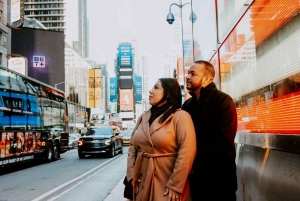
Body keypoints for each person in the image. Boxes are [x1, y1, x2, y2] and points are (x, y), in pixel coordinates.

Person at [126, 78, 197, 201]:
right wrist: (131, 176)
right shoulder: (143, 117)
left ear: (168, 94)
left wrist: (175, 185)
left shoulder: (181, 117)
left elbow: (187, 152)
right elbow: (132, 147)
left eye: (156, 87)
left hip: (168, 184)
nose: (150, 91)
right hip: (141, 182)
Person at [182, 60, 238, 201]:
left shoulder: (223, 101)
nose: (187, 76)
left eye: (192, 74)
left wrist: (193, 164)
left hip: (220, 180)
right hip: (195, 180)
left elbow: (223, 141)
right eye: (188, 73)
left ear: (207, 78)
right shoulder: (187, 106)